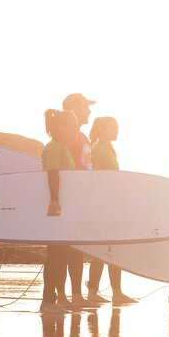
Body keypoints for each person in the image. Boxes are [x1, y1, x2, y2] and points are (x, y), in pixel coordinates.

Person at [86, 116, 137, 305]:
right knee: (103, 249)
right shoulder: (98, 149)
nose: (117, 131)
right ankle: (93, 292)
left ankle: (116, 292)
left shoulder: (109, 149)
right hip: (104, 206)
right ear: (100, 130)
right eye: (112, 128)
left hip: (113, 205)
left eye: (117, 127)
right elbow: (97, 179)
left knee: (114, 249)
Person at [61, 93, 99, 309]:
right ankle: (67, 296)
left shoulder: (81, 137)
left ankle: (75, 294)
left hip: (81, 200)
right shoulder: (70, 138)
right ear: (74, 108)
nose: (89, 111)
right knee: (67, 250)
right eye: (86, 107)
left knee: (76, 250)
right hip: (70, 201)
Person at [41, 109, 78, 314]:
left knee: (62, 254)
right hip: (55, 209)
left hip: (64, 211)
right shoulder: (53, 147)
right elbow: (52, 173)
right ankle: (48, 301)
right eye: (72, 125)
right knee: (54, 254)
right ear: (61, 128)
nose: (76, 129)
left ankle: (58, 300)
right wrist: (54, 199)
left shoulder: (64, 148)